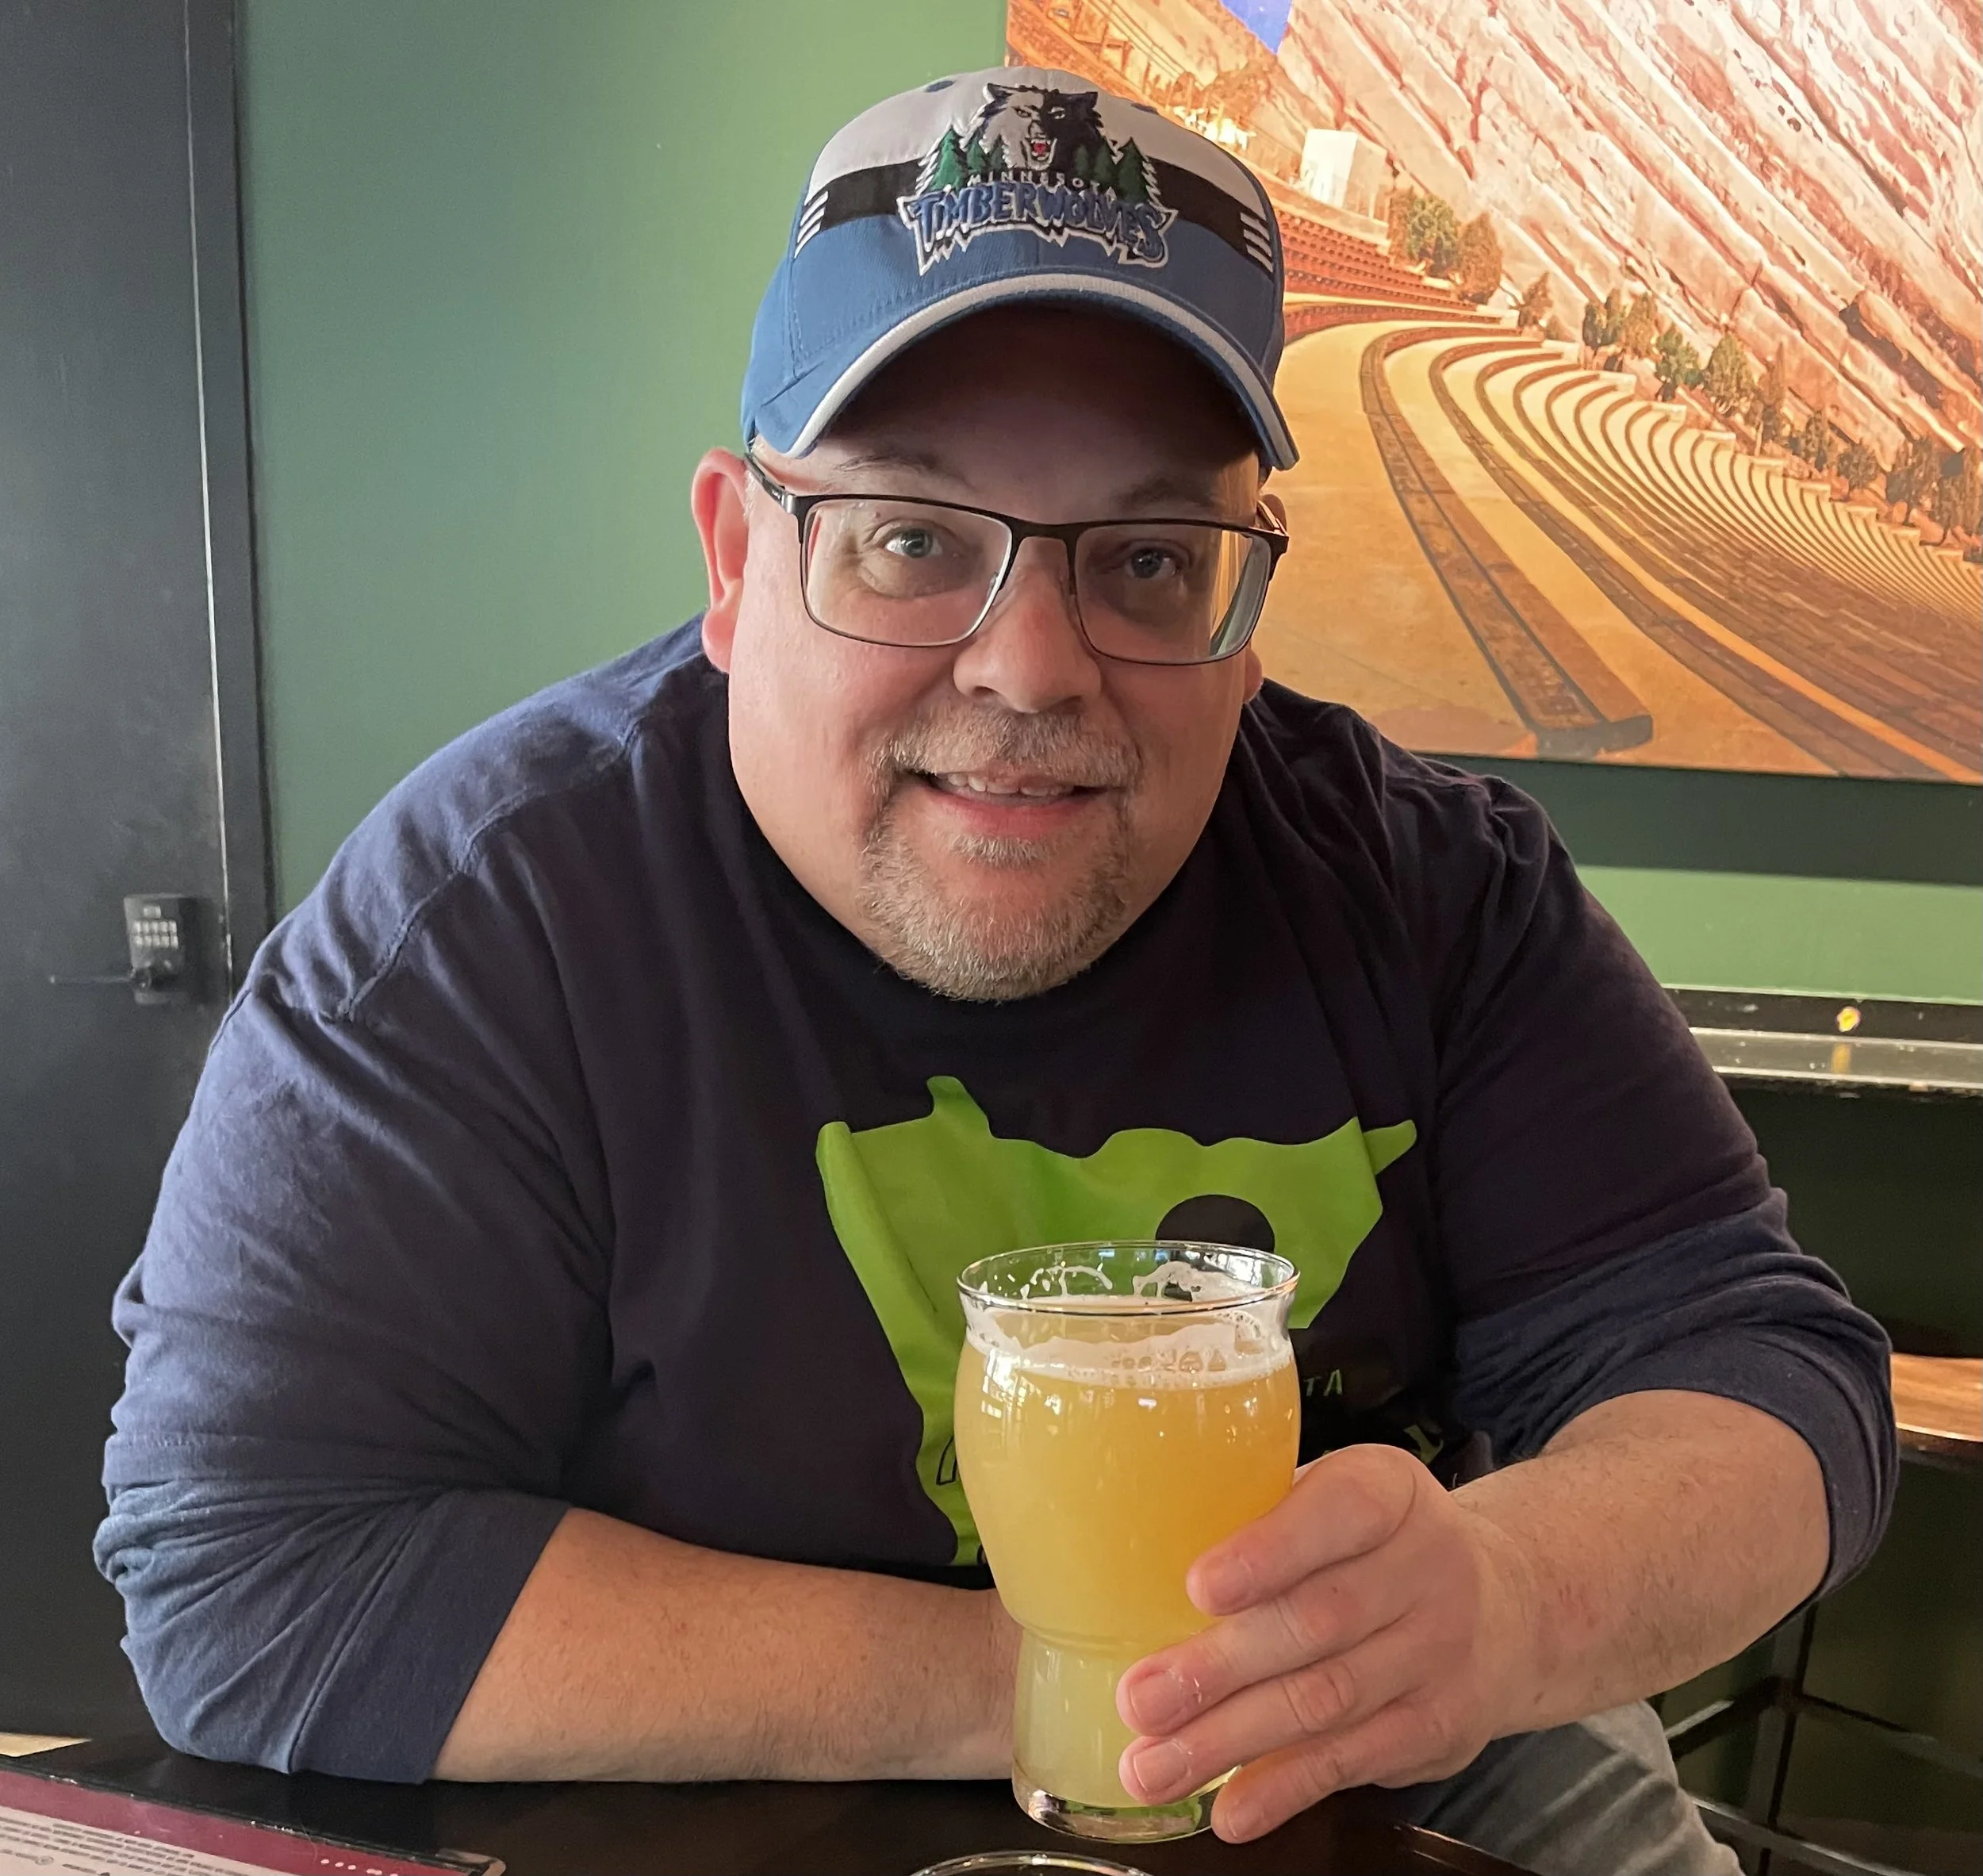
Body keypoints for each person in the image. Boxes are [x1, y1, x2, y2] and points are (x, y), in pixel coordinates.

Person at [97, 67, 1892, 1872]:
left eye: (1143, 560)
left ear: (1241, 602)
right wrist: (1049, 1688)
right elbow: (255, 1576)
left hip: (1370, 1771)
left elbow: (1765, 1374)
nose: (1032, 670)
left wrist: (1499, 1598)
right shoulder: (487, 926)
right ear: (736, 560)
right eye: (909, 540)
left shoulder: (1432, 889)